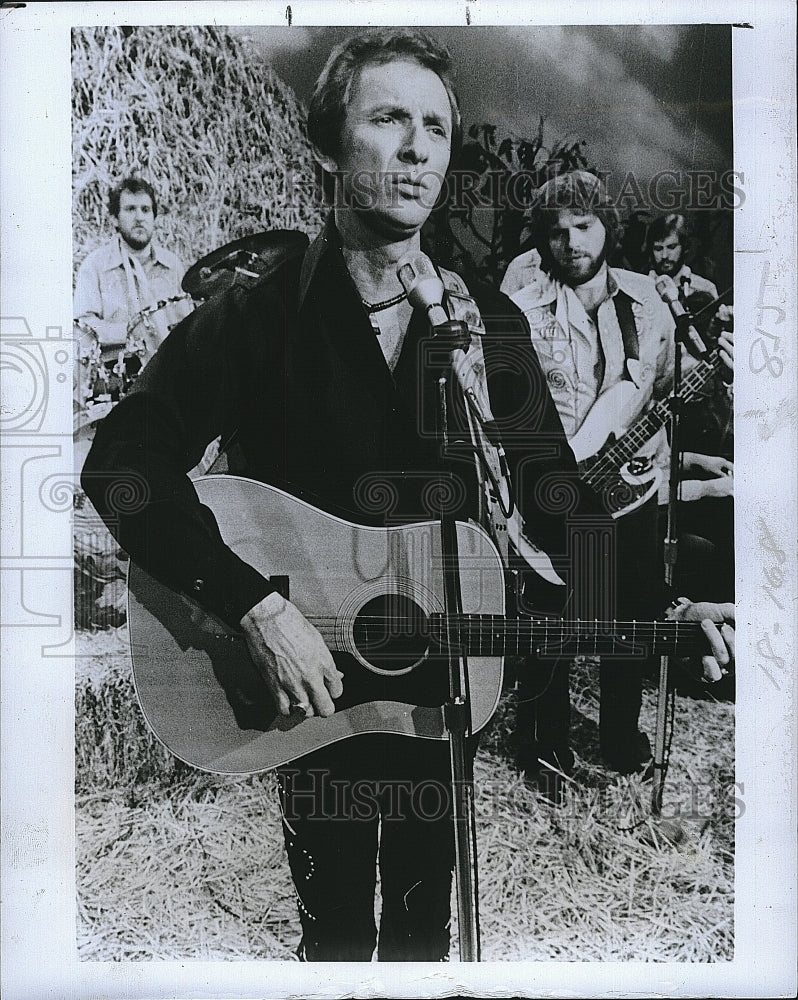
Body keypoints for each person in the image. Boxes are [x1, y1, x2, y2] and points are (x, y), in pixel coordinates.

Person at [83, 33, 734, 962]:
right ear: (327, 146)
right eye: (389, 119)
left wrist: (661, 605)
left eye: (436, 126)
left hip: (442, 690)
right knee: (338, 936)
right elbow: (121, 462)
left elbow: (556, 498)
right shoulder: (257, 319)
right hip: (307, 692)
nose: (419, 147)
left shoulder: (483, 323)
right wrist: (254, 606)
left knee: (427, 938)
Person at [501, 171, 734, 776]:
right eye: (557, 233)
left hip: (631, 494)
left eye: (584, 227)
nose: (571, 243)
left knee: (628, 628)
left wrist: (711, 380)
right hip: (550, 496)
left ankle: (622, 740)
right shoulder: (520, 312)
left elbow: (662, 398)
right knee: (548, 631)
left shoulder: (648, 306)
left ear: (606, 225)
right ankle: (543, 748)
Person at [74, 176, 192, 388]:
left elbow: (187, 321)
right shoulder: (95, 266)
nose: (139, 218)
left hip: (170, 375)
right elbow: (82, 329)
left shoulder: (172, 265)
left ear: (154, 217)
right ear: (115, 219)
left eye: (145, 210)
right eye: (130, 209)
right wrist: (130, 333)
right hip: (116, 377)